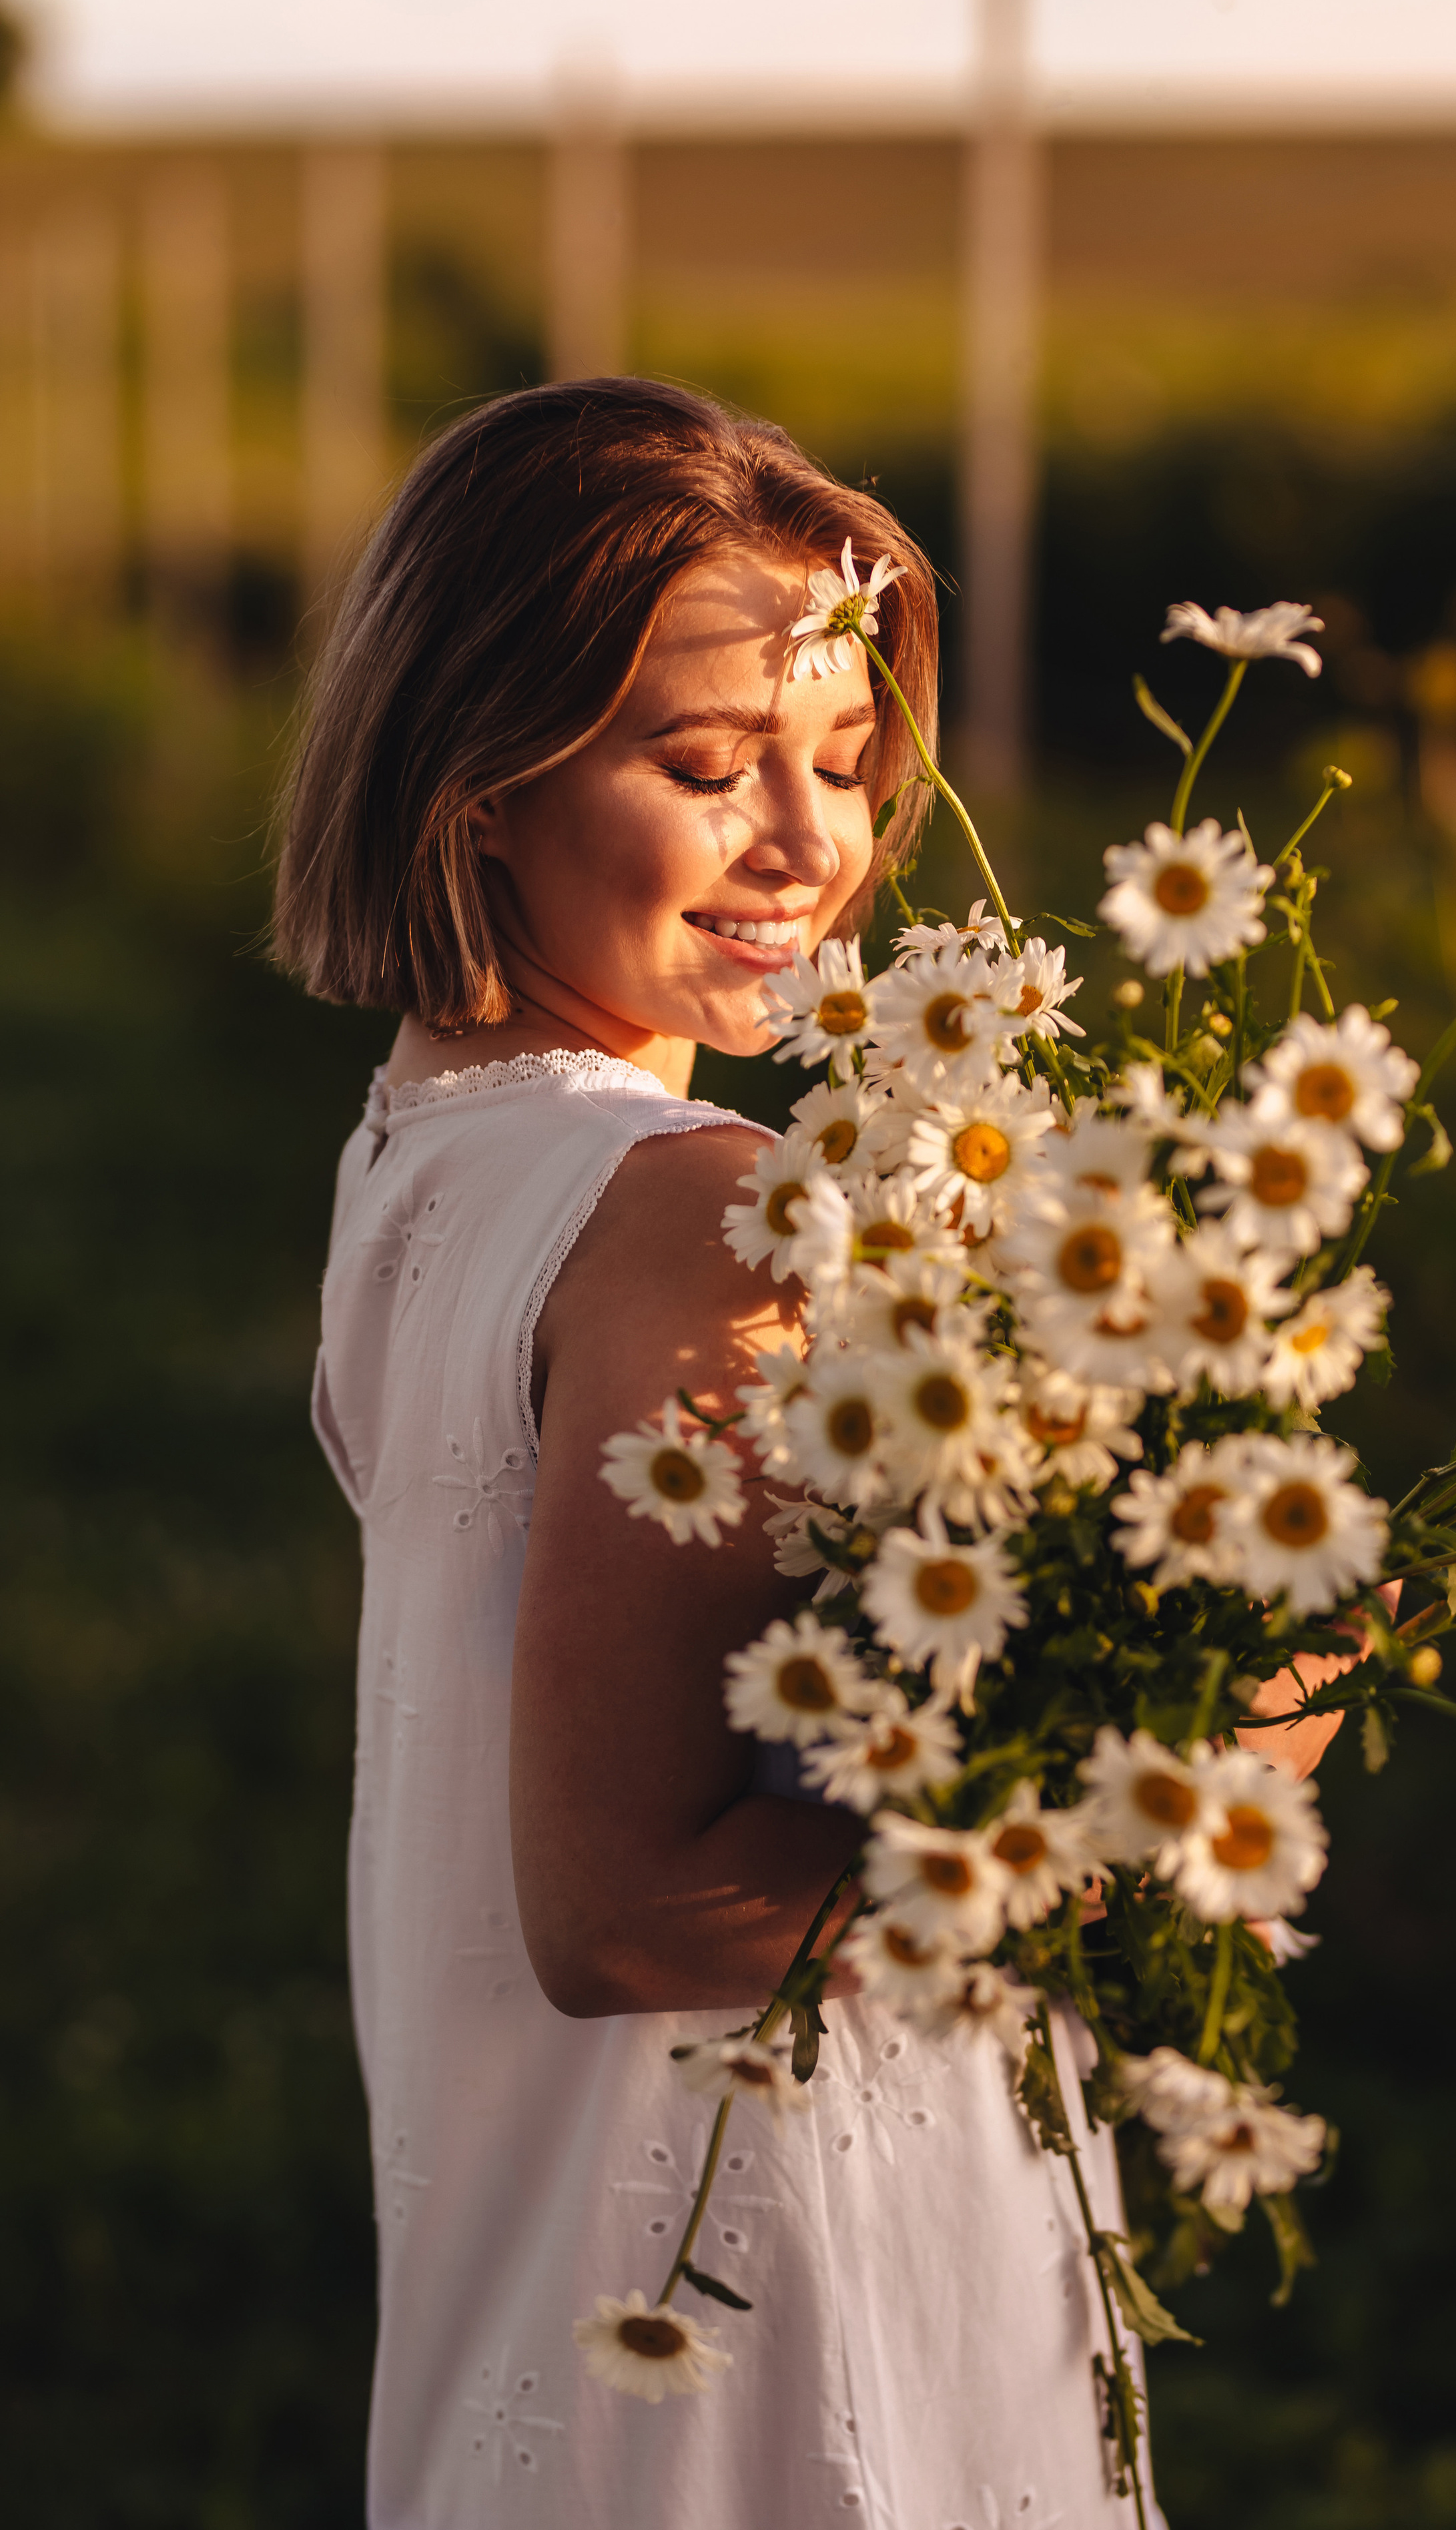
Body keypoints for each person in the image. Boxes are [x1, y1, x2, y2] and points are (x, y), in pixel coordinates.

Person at [276, 378, 1184, 2529]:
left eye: (848, 763)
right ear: (478, 780)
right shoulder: (692, 1206)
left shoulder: (420, 1147)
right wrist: (1203, 1756)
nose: (811, 847)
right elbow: (631, 1911)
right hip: (756, 2265)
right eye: (706, 767)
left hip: (540, 2241)